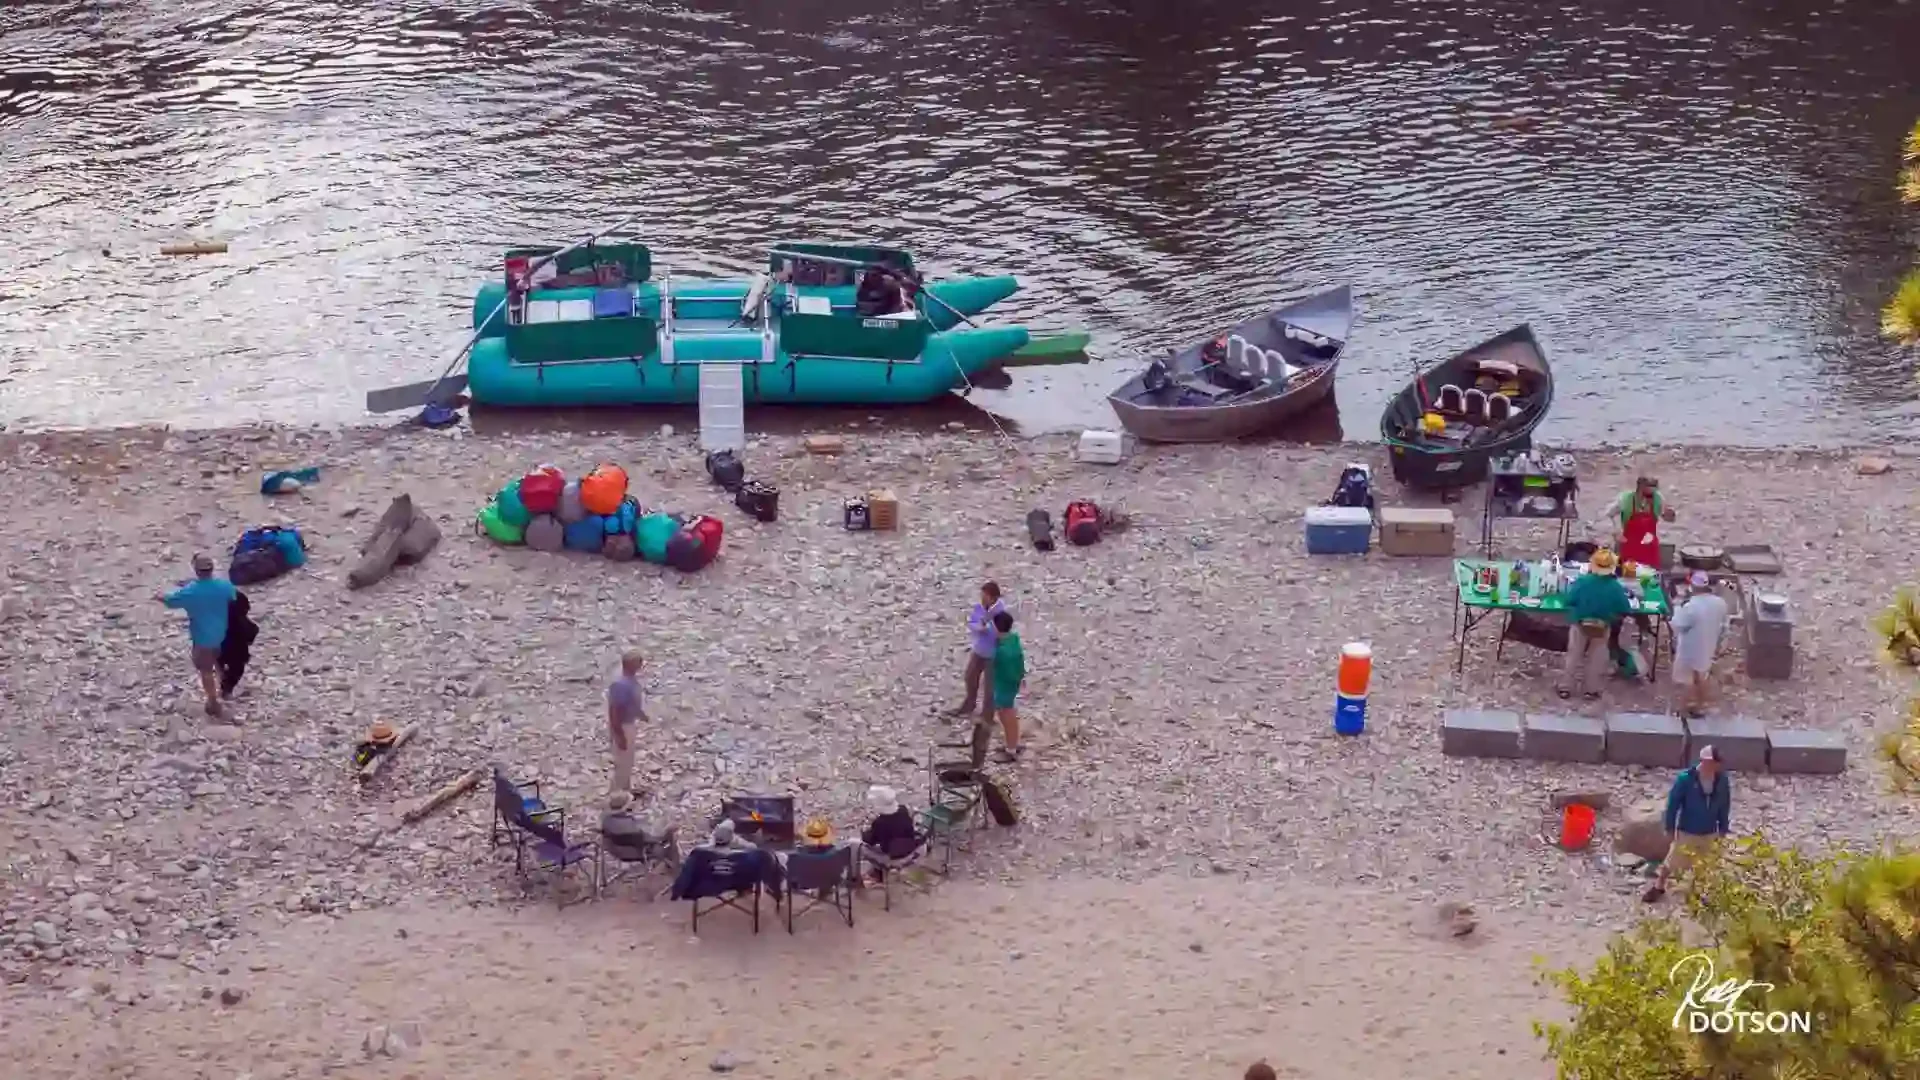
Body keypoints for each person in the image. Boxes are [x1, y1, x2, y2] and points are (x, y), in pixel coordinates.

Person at [1643, 744, 1731, 903]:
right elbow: (1673, 804)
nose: (1717, 766)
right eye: (1714, 762)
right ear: (1705, 761)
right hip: (1688, 829)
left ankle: (1702, 891)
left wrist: (1723, 827)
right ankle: (1659, 885)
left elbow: (1724, 804)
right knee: (1674, 859)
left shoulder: (1722, 781)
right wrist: (1670, 827)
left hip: (1710, 829)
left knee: (1707, 862)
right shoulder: (1686, 780)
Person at [159, 554, 238, 717]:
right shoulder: (225, 586)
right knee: (222, 664)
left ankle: (213, 701)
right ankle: (226, 691)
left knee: (206, 670)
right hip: (225, 634)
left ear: (196, 571)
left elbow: (171, 601)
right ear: (212, 569)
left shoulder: (191, 591)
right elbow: (234, 600)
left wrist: (159, 596)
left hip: (203, 639)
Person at [1559, 548, 1632, 701]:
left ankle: (1565, 687)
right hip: (1602, 626)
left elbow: (1569, 600)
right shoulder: (1615, 587)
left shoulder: (1582, 582)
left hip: (1580, 624)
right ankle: (1591, 690)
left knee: (1573, 655)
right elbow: (1625, 608)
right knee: (1596, 658)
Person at [1670, 570, 1732, 718]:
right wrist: (1720, 644)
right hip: (1709, 645)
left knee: (1688, 680)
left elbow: (1677, 624)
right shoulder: (1720, 603)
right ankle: (1701, 705)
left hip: (1690, 648)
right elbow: (1724, 627)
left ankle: (1686, 708)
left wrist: (1677, 606)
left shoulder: (1691, 607)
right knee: (1702, 675)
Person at [949, 582, 1007, 719]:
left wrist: (990, 630)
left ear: (993, 598)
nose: (982, 598)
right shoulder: (979, 607)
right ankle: (969, 704)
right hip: (979, 649)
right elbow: (972, 622)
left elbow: (1003, 633)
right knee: (970, 677)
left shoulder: (1002, 612)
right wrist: (978, 627)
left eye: (985, 596)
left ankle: (987, 716)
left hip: (994, 654)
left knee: (989, 688)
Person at [607, 650, 648, 801]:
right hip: (623, 726)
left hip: (629, 723)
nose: (641, 665)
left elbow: (631, 702)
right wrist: (619, 735)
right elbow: (614, 711)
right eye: (639, 662)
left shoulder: (630, 680)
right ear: (630, 665)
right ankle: (617, 798)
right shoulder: (620, 684)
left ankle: (626, 791)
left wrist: (641, 714)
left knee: (628, 761)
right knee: (622, 763)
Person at [859, 785, 918, 886]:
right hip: (910, 851)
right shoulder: (903, 810)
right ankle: (877, 871)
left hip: (892, 858)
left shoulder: (880, 822)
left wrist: (863, 831)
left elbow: (869, 841)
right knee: (887, 843)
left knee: (860, 847)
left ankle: (875, 873)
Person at [990, 609, 1027, 762]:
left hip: (1004, 685)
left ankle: (1011, 750)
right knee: (1008, 714)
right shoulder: (1013, 639)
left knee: (1006, 715)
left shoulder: (1001, 651)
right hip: (1013, 682)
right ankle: (1012, 743)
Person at [1614, 476, 1675, 570]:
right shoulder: (1626, 499)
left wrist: (1670, 516)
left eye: (1654, 490)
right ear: (1640, 487)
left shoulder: (1658, 498)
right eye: (1648, 492)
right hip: (1630, 544)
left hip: (1649, 546)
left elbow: (1666, 517)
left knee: (1650, 574)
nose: (1651, 496)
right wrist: (1617, 531)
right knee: (1630, 573)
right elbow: (1608, 514)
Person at [218, 590, 259, 699]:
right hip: (235, 649)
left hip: (214, 645)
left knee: (219, 662)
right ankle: (226, 690)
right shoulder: (241, 622)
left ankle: (220, 676)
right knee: (236, 669)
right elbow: (251, 633)